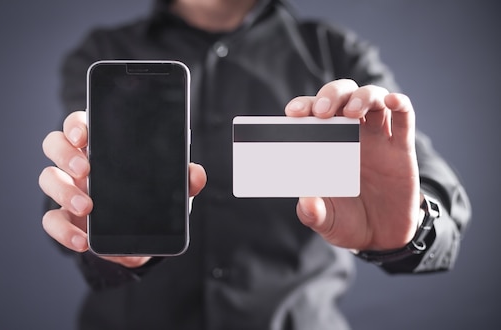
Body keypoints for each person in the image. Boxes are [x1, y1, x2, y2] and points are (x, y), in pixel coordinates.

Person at [38, 0, 472, 328]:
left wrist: (409, 228)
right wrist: (89, 222)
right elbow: (74, 199)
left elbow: (435, 193)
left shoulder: (337, 52)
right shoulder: (104, 53)